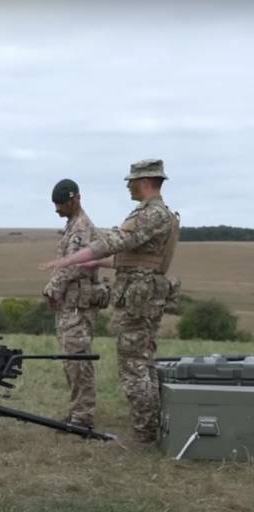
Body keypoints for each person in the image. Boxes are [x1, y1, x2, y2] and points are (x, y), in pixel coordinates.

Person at [40, 159, 179, 443]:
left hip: (136, 298)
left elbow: (116, 241)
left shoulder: (150, 215)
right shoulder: (156, 214)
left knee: (133, 366)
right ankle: (149, 428)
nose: (128, 185)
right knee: (141, 363)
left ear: (145, 181)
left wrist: (72, 263)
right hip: (141, 294)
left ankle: (145, 434)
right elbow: (131, 255)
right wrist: (101, 263)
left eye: (131, 180)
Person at [42, 179, 107, 429]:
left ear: (76, 199)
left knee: (79, 362)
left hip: (78, 307)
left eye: (61, 204)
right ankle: (77, 410)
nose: (57, 209)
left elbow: (74, 265)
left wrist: (51, 290)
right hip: (70, 305)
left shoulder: (81, 229)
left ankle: (83, 416)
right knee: (71, 361)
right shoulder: (72, 225)